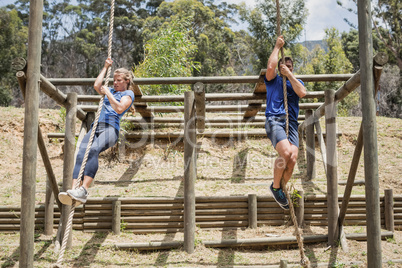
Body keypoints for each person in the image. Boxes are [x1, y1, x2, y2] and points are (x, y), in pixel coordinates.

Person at [59, 58, 135, 205]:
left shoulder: (128, 94)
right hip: (96, 126)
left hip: (110, 128)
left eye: (119, 80)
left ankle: (84, 190)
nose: (115, 82)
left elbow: (119, 108)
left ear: (126, 81)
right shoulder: (110, 90)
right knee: (81, 153)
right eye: (114, 79)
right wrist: (105, 67)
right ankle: (74, 188)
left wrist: (108, 93)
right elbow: (97, 85)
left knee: (93, 150)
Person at [265, 35, 306, 210]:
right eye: (283, 66)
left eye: (289, 67)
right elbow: (270, 66)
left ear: (292, 68)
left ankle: (280, 188)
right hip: (275, 119)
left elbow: (302, 92)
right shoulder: (272, 81)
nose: (285, 68)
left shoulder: (296, 82)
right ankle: (275, 187)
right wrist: (277, 46)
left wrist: (289, 75)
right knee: (286, 153)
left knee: (293, 159)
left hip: (292, 124)